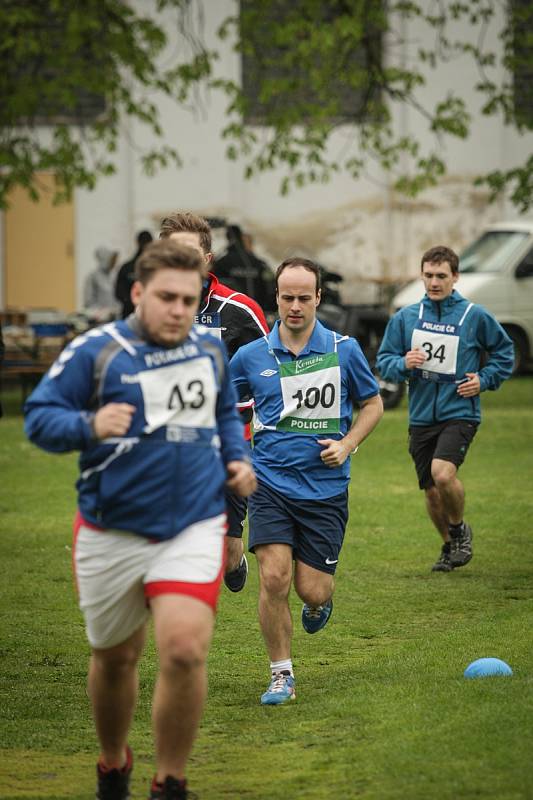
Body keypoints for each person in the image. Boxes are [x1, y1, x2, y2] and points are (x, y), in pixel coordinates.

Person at [24, 240, 256, 800]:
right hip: (111, 529)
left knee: (183, 649)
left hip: (193, 523)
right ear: (137, 294)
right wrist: (90, 424)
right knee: (115, 657)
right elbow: (38, 416)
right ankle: (113, 763)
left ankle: (170, 782)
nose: (179, 309)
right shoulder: (98, 351)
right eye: (166, 298)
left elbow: (224, 411)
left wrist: (235, 457)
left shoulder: (209, 348)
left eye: (188, 298)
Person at [230, 257, 383, 705]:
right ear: (275, 297)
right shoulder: (251, 356)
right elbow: (221, 406)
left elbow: (372, 405)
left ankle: (319, 602)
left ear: (319, 297)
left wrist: (348, 443)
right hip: (270, 484)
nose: (294, 307)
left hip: (326, 490)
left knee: (311, 588)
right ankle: (281, 674)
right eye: (286, 297)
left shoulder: (344, 349)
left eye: (303, 297)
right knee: (274, 579)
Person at [376, 245, 514, 573]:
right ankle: (449, 544)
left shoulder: (474, 316)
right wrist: (403, 363)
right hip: (421, 416)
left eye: (441, 276)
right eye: (428, 275)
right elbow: (385, 362)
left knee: (443, 472)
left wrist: (483, 380)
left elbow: (505, 353)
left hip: (460, 412)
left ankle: (458, 530)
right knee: (432, 493)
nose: (434, 282)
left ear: (455, 276)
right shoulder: (406, 318)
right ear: (421, 276)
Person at [159, 212, 270, 592]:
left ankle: (234, 561)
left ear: (207, 259)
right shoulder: (153, 312)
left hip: (229, 442)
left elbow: (270, 374)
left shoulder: (239, 311)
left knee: (227, 556)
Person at [214, 224, 276, 312]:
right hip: (258, 312)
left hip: (232, 312)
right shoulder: (259, 264)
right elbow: (272, 286)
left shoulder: (221, 263)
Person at [115, 230, 154, 318]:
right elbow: (119, 292)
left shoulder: (156, 267)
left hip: (142, 313)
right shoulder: (128, 268)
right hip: (132, 313)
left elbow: (118, 292)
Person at [84, 246, 120, 319]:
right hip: (98, 319)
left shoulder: (113, 276)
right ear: (105, 260)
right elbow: (88, 301)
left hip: (114, 317)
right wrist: (101, 312)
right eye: (111, 260)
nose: (113, 263)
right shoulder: (93, 277)